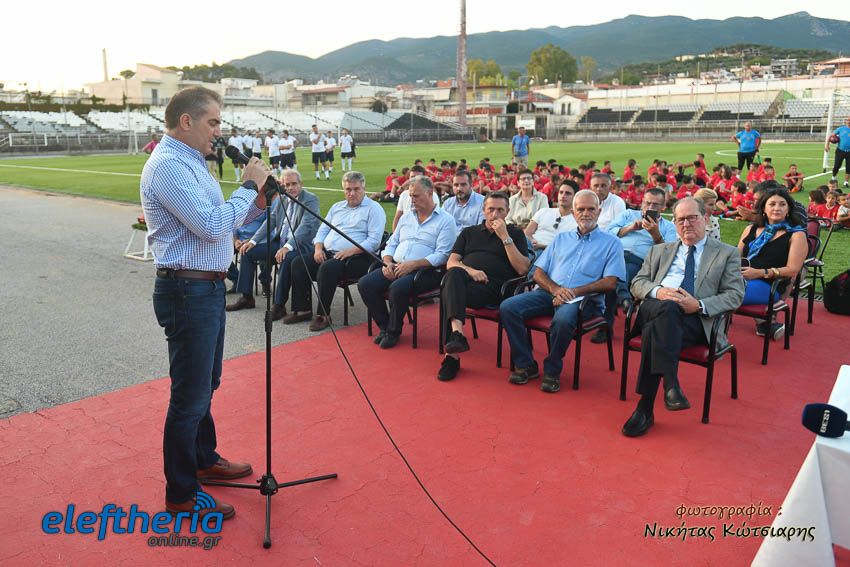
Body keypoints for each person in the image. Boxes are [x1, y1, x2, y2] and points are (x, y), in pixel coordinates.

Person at [141, 86, 270, 517]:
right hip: (187, 290)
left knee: (206, 383)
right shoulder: (168, 166)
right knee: (190, 395)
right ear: (186, 121)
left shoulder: (193, 162)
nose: (219, 130)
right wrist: (247, 185)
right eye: (213, 122)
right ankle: (181, 494)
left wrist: (258, 200)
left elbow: (223, 223)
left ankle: (203, 459)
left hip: (206, 287)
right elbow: (212, 226)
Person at [622, 197, 745, 437]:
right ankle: (670, 383)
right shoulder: (659, 250)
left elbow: (735, 295)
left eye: (692, 218)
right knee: (667, 308)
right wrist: (659, 292)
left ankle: (645, 407)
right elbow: (637, 283)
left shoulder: (727, 253)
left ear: (706, 219)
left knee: (656, 330)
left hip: (694, 320)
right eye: (680, 220)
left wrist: (698, 305)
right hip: (654, 307)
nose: (686, 224)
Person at [500, 190, 626, 394]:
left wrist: (573, 292)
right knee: (508, 307)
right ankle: (526, 364)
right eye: (581, 209)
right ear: (573, 213)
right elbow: (538, 272)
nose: (586, 213)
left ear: (599, 211)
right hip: (549, 292)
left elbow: (611, 282)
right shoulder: (561, 239)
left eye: (591, 209)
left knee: (563, 320)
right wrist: (556, 289)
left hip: (584, 300)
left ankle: (552, 369)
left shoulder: (612, 243)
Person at [438, 192, 530, 381]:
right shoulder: (469, 232)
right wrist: (471, 271)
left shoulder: (515, 234)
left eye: (500, 210)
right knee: (452, 275)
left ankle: (452, 354)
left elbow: (522, 269)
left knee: (450, 291)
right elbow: (452, 262)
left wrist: (505, 237)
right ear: (483, 210)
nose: (495, 214)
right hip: (467, 283)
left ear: (507, 212)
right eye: (491, 209)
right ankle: (456, 338)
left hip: (496, 289)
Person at [357, 176, 457, 348]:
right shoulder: (406, 217)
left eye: (416, 196)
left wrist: (413, 265)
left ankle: (393, 331)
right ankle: (385, 326)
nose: (412, 200)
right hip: (396, 266)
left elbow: (442, 255)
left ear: (430, 193)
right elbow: (391, 243)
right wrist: (387, 262)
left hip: (426, 271)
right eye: (410, 196)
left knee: (397, 289)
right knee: (365, 284)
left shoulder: (446, 220)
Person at [285, 171, 386, 331]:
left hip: (360, 258)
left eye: (356, 189)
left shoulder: (374, 209)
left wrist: (350, 251)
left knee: (327, 268)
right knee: (298, 262)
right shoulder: (337, 207)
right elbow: (322, 231)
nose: (352, 193)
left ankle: (323, 315)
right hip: (331, 253)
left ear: (363, 188)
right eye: (348, 189)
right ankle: (303, 310)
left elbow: (374, 241)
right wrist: (318, 248)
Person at [226, 170, 321, 320]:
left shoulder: (310, 199)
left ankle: (278, 305)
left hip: (301, 245)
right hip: (280, 243)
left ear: (301, 184)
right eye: (287, 185)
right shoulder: (282, 199)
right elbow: (270, 222)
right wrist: (253, 241)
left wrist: (287, 247)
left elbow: (306, 227)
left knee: (286, 257)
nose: (290, 188)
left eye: (294, 184)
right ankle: (246, 297)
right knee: (247, 251)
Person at [599, 188, 677, 343]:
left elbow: (668, 254)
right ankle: (624, 298)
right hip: (616, 254)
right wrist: (630, 228)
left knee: (614, 276)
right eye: (647, 203)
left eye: (655, 205)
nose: (650, 207)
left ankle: (607, 325)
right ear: (642, 203)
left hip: (640, 261)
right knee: (618, 267)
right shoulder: (628, 215)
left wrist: (655, 234)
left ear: (663, 207)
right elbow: (608, 232)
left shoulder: (668, 227)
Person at [738, 187, 807, 339]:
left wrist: (759, 273)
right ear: (763, 208)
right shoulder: (750, 228)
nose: (777, 208)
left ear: (788, 209)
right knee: (709, 286)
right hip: (741, 278)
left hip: (769, 285)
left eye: (782, 204)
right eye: (772, 204)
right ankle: (765, 324)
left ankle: (713, 337)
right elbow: (736, 257)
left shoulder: (796, 235)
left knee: (724, 293)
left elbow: (793, 270)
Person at [524, 180, 579, 258]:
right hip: (530, 247)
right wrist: (532, 240)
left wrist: (542, 246)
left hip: (553, 254)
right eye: (561, 192)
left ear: (575, 197)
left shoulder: (577, 222)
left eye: (568, 193)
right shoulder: (544, 211)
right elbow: (527, 232)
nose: (563, 196)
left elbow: (568, 247)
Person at [826, 116, 850, 188]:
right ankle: (834, 177)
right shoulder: (841, 129)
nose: (849, 121)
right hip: (840, 151)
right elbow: (830, 136)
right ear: (846, 121)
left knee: (849, 167)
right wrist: (827, 145)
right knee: (836, 166)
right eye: (848, 120)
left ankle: (846, 182)